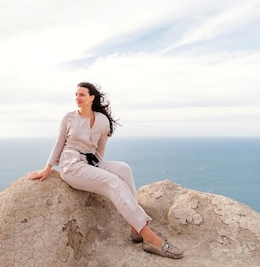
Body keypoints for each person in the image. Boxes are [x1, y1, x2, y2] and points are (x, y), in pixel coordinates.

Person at [28, 82, 183, 259]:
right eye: (76, 95)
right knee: (113, 182)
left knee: (123, 169)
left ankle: (135, 228)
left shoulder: (102, 121)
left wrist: (98, 172)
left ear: (92, 98)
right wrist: (47, 168)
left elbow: (99, 151)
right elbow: (58, 144)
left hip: (90, 164)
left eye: (82, 95)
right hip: (71, 167)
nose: (77, 98)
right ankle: (149, 237)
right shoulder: (68, 118)